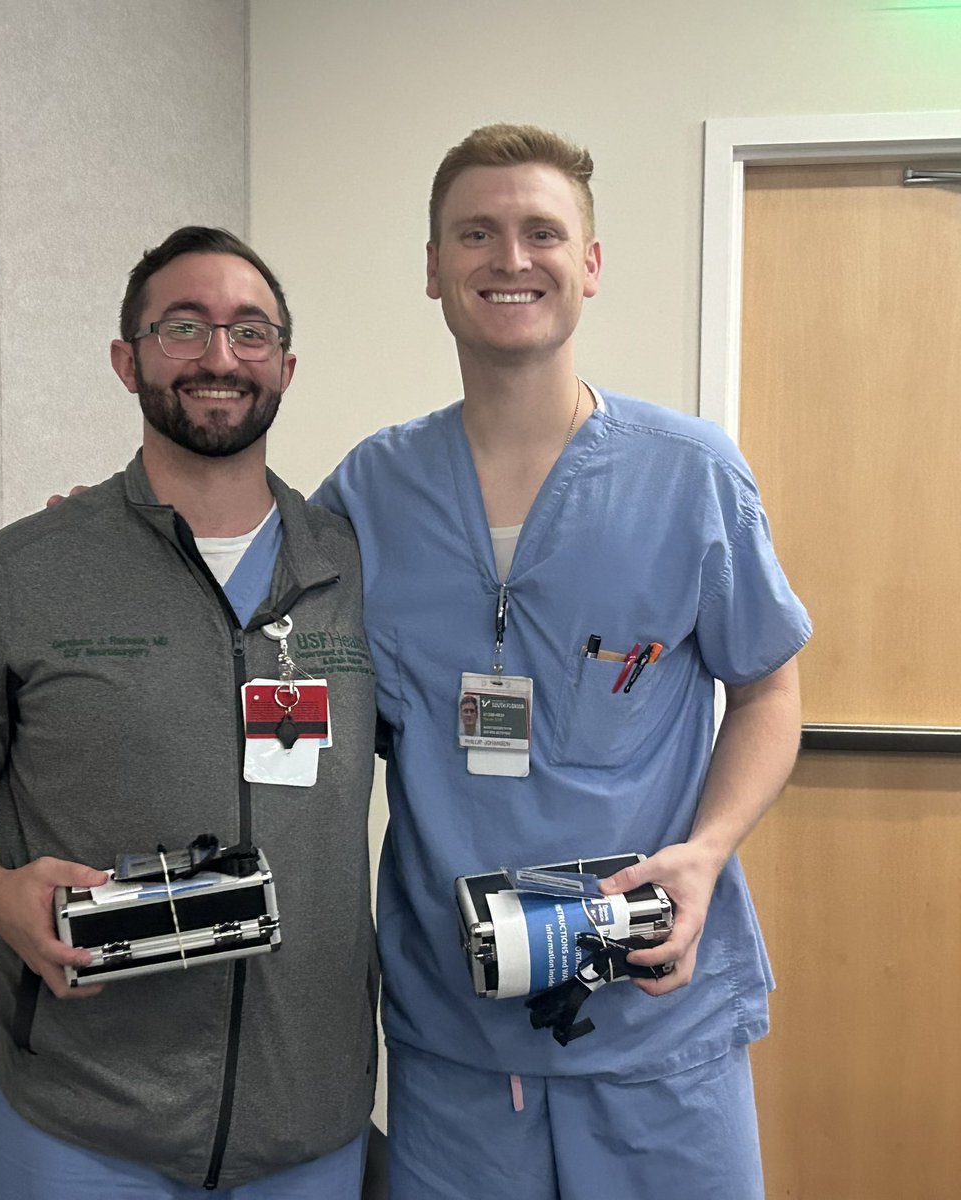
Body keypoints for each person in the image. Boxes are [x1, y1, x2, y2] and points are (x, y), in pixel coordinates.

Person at [313, 124, 810, 1199]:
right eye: (476, 234)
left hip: (657, 1026)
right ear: (434, 267)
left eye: (543, 232)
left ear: (590, 264)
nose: (510, 258)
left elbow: (770, 685)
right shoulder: (367, 495)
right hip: (456, 1039)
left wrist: (710, 849)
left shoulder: (690, 476)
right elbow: (259, 642)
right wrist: (128, 541)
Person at [0, 227, 380, 1199]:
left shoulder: (354, 568)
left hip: (308, 1130)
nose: (220, 356)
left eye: (250, 331)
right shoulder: (33, 570)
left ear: (287, 365)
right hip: (82, 1125)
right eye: (183, 327)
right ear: (126, 358)